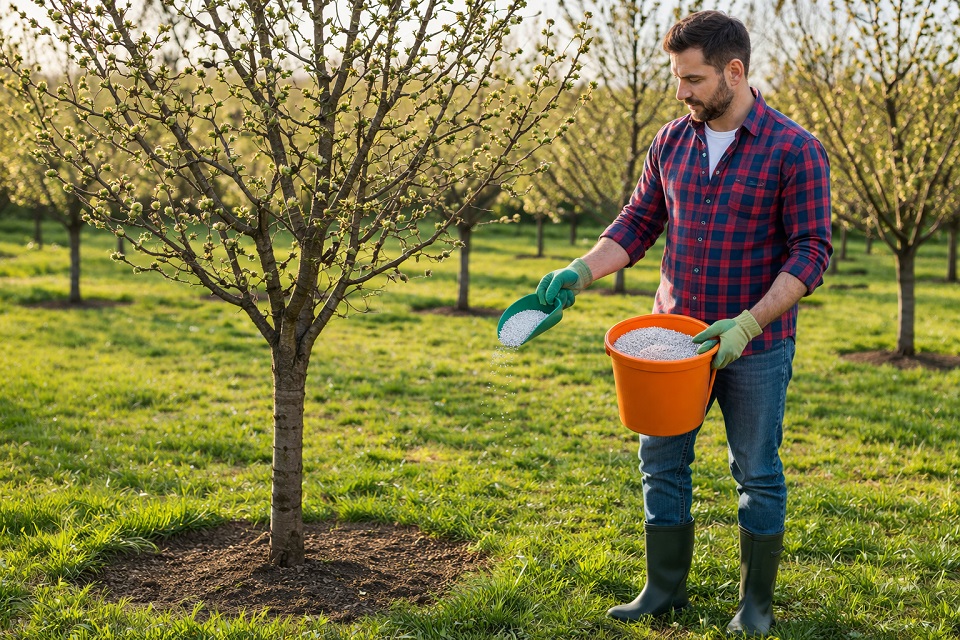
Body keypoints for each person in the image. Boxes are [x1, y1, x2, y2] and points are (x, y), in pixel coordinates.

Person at [536, 10, 832, 636]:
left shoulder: (795, 149)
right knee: (661, 463)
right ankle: (662, 589)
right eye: (677, 78)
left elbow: (811, 251)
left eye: (693, 79)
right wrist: (579, 273)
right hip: (671, 344)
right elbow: (638, 223)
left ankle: (754, 605)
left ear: (734, 70)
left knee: (756, 471)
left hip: (755, 344)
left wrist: (746, 324)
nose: (682, 92)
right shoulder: (672, 141)